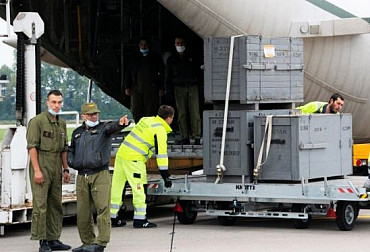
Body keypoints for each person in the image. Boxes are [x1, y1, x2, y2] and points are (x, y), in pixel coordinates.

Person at [67, 102, 130, 252]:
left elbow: (112, 127)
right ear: (83, 116)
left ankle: (101, 243)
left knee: (103, 209)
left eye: (96, 113)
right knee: (83, 212)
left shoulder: (103, 129)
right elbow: (71, 149)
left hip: (99, 174)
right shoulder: (77, 132)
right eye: (90, 114)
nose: (94, 116)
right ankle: (87, 242)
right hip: (82, 175)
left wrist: (120, 124)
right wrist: (71, 162)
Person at [110, 105, 174, 228]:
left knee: (118, 187)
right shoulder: (160, 130)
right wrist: (165, 176)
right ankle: (140, 219)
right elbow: (161, 154)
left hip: (121, 155)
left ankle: (113, 217)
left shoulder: (146, 120)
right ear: (169, 118)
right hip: (134, 159)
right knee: (139, 188)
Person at [26, 90, 71, 252]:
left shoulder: (62, 124)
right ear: (47, 102)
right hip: (42, 163)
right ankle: (42, 240)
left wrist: (66, 169)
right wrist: (37, 171)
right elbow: (32, 147)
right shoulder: (37, 121)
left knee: (55, 204)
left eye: (59, 102)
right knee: (41, 205)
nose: (56, 106)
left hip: (56, 166)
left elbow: (64, 148)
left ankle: (53, 238)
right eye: (53, 102)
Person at [165, 36, 201, 145]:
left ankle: (197, 136)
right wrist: (168, 90)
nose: (179, 45)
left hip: (192, 87)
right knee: (182, 114)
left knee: (194, 112)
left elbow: (199, 73)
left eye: (181, 43)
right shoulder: (171, 59)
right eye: (177, 43)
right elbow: (168, 76)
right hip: (178, 87)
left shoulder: (193, 57)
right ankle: (184, 136)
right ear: (174, 45)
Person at [125, 37, 165, 123]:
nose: (143, 47)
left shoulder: (155, 57)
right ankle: (139, 129)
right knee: (136, 109)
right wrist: (127, 86)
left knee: (150, 110)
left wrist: (161, 87)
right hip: (136, 88)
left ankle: (149, 130)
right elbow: (128, 72)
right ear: (139, 45)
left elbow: (162, 73)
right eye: (142, 44)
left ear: (149, 45)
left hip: (151, 88)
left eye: (145, 45)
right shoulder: (134, 57)